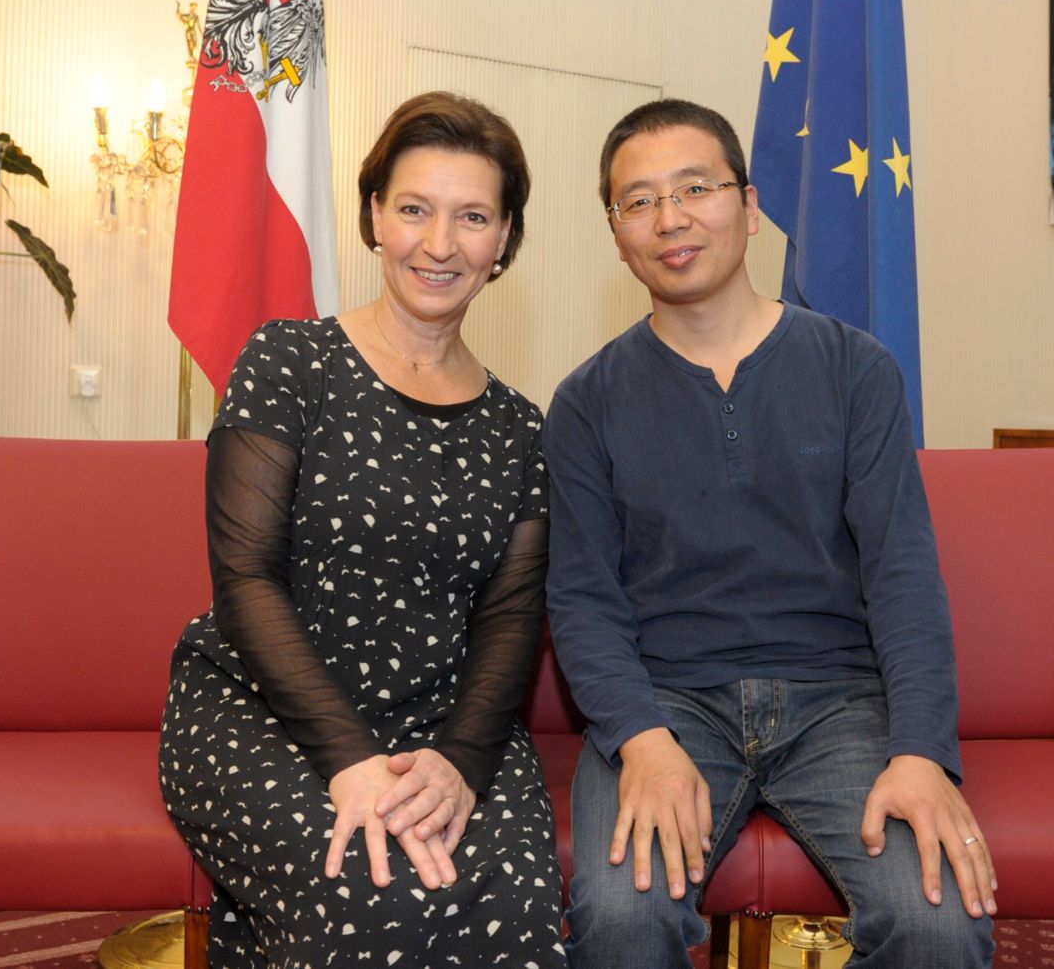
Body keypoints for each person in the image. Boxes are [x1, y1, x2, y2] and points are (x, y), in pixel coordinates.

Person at [544, 100, 996, 969]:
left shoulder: (855, 368)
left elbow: (902, 574)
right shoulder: (585, 402)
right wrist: (641, 741)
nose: (669, 219)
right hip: (668, 704)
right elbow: (582, 598)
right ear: (615, 232)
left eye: (694, 188)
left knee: (938, 920)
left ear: (750, 208)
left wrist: (920, 752)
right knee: (620, 919)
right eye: (637, 201)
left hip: (841, 700)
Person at [159, 92, 566, 969]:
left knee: (519, 908)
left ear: (504, 243)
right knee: (367, 894)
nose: (439, 242)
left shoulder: (523, 428)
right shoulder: (287, 362)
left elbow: (509, 620)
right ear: (374, 215)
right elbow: (246, 579)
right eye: (414, 208)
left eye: (472, 217)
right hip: (265, 711)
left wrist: (457, 763)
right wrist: (347, 761)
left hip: (448, 724)